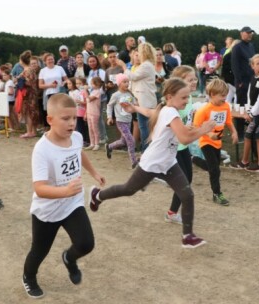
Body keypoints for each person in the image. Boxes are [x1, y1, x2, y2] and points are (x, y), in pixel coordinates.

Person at [88, 78, 216, 248]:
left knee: (187, 194)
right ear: (169, 97)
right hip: (152, 162)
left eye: (188, 97)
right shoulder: (170, 112)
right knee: (128, 189)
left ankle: (188, 236)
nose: (187, 101)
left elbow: (180, 130)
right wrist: (204, 130)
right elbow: (184, 138)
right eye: (183, 98)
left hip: (168, 162)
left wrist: (199, 131)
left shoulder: (168, 110)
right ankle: (97, 195)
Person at [22, 94, 105, 299]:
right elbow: (40, 188)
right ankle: (29, 277)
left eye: (74, 118)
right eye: (65, 119)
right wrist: (65, 191)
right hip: (47, 210)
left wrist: (94, 173)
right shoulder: (42, 149)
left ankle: (69, 258)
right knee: (39, 251)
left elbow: (79, 153)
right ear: (50, 120)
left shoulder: (76, 137)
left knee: (86, 243)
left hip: (72, 204)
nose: (71, 123)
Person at [162, 65, 201, 223]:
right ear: (180, 82)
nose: (193, 82)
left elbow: (187, 120)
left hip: (183, 146)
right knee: (183, 180)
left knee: (188, 179)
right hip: (173, 147)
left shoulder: (190, 98)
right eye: (189, 80)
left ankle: (171, 212)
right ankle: (161, 177)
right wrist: (186, 128)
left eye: (194, 79)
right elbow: (172, 124)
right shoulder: (173, 104)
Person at [194, 79, 238, 206]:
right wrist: (208, 134)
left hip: (218, 142)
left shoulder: (225, 107)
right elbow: (196, 126)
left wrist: (234, 132)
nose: (225, 98)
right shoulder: (204, 110)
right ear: (212, 94)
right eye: (222, 95)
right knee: (215, 170)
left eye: (226, 95)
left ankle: (193, 159)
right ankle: (217, 194)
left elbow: (228, 121)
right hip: (206, 142)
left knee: (213, 167)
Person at [237, 54, 259, 173]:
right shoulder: (253, 78)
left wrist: (251, 114)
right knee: (258, 138)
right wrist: (247, 110)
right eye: (257, 63)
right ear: (252, 66)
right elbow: (249, 97)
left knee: (248, 136)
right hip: (253, 113)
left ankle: (245, 161)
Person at [123, 42, 157, 151]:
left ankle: (146, 151)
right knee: (144, 127)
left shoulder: (146, 65)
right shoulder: (147, 65)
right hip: (143, 100)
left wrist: (124, 66)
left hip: (145, 101)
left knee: (144, 128)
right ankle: (146, 150)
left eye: (139, 52)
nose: (137, 54)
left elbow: (133, 76)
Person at [105, 73, 138, 168]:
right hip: (120, 121)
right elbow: (109, 105)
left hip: (128, 121)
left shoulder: (130, 94)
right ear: (119, 83)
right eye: (124, 82)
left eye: (128, 82)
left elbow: (136, 104)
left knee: (123, 141)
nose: (127, 84)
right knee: (131, 140)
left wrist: (136, 102)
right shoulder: (115, 95)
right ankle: (134, 161)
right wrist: (109, 117)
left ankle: (109, 147)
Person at [231, 26, 256, 138]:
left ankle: (250, 129)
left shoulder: (251, 46)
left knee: (250, 105)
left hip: (251, 80)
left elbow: (253, 63)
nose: (250, 34)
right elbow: (235, 65)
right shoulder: (237, 47)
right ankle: (239, 132)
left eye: (251, 33)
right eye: (247, 33)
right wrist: (239, 81)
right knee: (241, 106)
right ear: (241, 34)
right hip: (242, 82)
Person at [85, 77, 104, 150]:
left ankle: (97, 143)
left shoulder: (97, 92)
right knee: (90, 128)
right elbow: (87, 102)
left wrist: (85, 90)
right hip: (89, 112)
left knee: (95, 128)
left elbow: (89, 99)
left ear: (97, 84)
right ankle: (92, 143)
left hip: (94, 112)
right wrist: (86, 113)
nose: (91, 85)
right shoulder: (92, 91)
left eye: (92, 83)